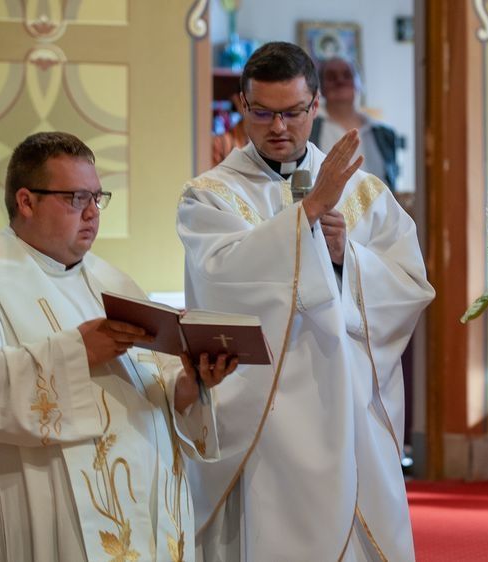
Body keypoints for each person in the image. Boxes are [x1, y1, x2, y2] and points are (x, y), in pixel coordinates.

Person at [177, 42, 434, 561]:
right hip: (261, 414)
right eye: (264, 113)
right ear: (244, 109)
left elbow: (410, 286)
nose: (279, 127)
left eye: (293, 112)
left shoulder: (363, 193)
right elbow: (220, 275)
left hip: (346, 400)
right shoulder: (209, 195)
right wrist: (308, 216)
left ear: (314, 106)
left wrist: (346, 259)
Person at [0, 132, 237, 561]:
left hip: (146, 525)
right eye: (76, 198)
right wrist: (77, 352)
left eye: (97, 197)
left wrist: (190, 383)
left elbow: (159, 390)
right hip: (52, 532)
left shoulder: (116, 283)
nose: (92, 213)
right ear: (26, 201)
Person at [310, 56, 403, 190]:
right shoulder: (310, 129)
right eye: (331, 77)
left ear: (359, 83)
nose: (340, 81)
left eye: (347, 75)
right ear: (321, 87)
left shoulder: (384, 134)